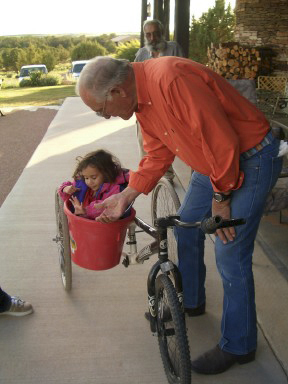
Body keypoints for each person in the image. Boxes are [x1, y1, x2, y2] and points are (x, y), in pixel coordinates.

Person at [76, 56, 283, 375]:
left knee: (230, 250)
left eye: (101, 110)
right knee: (185, 228)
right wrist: (126, 195)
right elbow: (158, 151)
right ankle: (190, 301)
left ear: (117, 91)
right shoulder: (141, 101)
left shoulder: (170, 80)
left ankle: (239, 345)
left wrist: (221, 196)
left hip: (249, 157)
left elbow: (222, 141)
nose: (105, 116)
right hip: (210, 162)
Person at [135, 19, 184, 180]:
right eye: (148, 34)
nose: (152, 37)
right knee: (146, 141)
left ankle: (167, 176)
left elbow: (183, 73)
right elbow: (134, 78)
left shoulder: (174, 48)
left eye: (156, 33)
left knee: (170, 139)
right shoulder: (142, 53)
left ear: (162, 33)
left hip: (169, 103)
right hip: (148, 104)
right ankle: (154, 176)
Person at [58, 149, 129, 220]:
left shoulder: (114, 189)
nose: (89, 182)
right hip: (82, 223)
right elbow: (66, 195)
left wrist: (86, 211)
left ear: (106, 174)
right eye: (86, 178)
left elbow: (104, 208)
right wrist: (65, 189)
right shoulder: (82, 184)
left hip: (104, 226)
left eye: (94, 177)